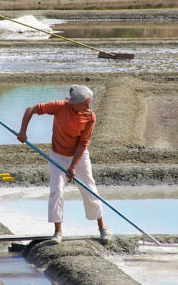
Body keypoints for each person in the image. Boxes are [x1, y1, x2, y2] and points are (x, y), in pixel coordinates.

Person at [17, 85, 109, 244]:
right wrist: (23, 131)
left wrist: (73, 166)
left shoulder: (90, 117)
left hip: (79, 156)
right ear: (74, 102)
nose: (88, 108)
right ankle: (58, 232)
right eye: (85, 104)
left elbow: (83, 144)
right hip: (58, 155)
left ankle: (102, 228)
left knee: (89, 189)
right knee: (57, 191)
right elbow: (30, 109)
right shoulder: (59, 107)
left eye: (89, 104)